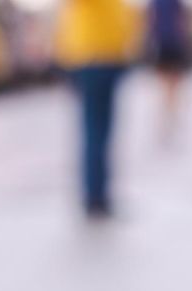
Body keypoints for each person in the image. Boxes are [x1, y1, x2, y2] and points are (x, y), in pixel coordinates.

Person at [55, 0, 140, 218]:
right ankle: (95, 197)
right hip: (93, 59)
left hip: (108, 59)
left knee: (102, 132)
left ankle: (100, 194)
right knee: (96, 131)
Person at [147, 0, 190, 144]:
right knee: (171, 88)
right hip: (171, 45)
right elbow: (182, 21)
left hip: (165, 45)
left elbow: (152, 21)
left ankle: (167, 121)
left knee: (167, 87)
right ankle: (169, 120)